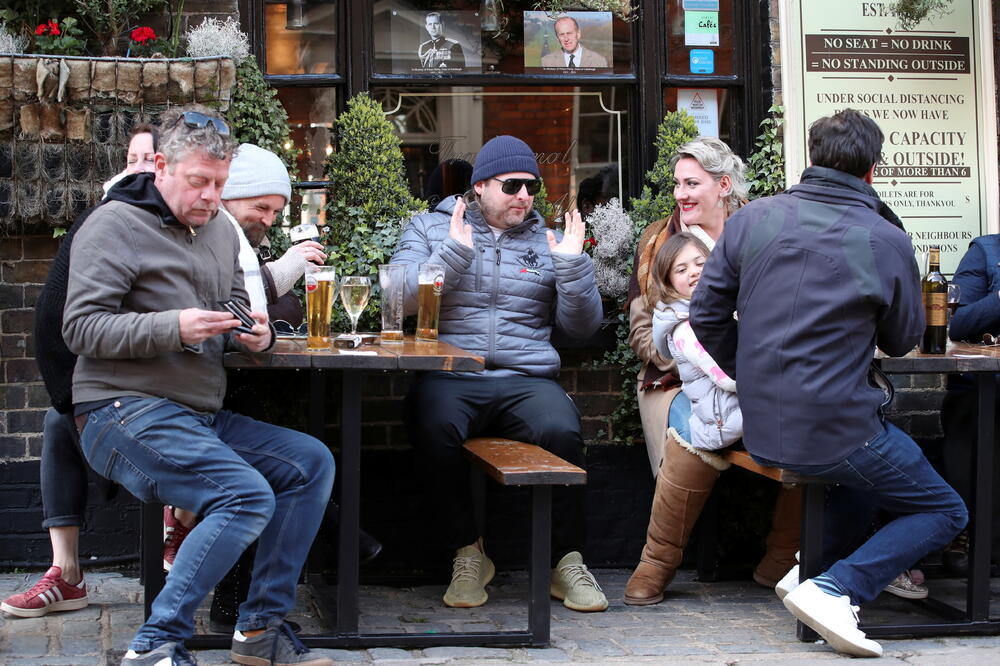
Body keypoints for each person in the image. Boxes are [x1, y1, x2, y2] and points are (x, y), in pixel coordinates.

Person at [61, 104, 335, 666]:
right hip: (118, 411)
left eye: (219, 183)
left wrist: (256, 337)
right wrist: (172, 326)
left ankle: (257, 631)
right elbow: (79, 328)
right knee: (245, 494)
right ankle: (155, 643)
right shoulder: (112, 225)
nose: (211, 197)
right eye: (198, 182)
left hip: (194, 414)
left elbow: (235, 307)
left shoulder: (217, 232)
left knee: (311, 462)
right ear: (160, 166)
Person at [690, 108, 967, 658]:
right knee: (944, 510)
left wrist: (754, 376)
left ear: (812, 157)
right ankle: (836, 588)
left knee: (862, 481)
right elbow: (901, 339)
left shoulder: (753, 219)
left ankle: (806, 576)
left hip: (763, 425)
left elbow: (706, 316)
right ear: (872, 171)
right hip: (838, 427)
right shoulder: (883, 239)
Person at [391, 135, 607, 612]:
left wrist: (572, 266)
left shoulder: (547, 240)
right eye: (512, 186)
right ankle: (469, 552)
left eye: (531, 186)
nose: (525, 197)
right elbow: (396, 296)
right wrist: (451, 254)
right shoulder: (431, 229)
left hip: (526, 377)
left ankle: (564, 561)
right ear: (481, 187)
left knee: (563, 431)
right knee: (432, 425)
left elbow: (583, 327)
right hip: (452, 372)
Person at [623, 137, 800, 605]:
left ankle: (784, 558)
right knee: (694, 430)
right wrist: (687, 349)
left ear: (723, 186)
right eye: (678, 184)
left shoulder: (759, 232)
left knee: (812, 432)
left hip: (756, 375)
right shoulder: (661, 240)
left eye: (692, 183)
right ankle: (657, 562)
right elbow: (645, 330)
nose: (681, 194)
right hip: (677, 381)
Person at [1, 123, 157, 620]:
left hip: (164, 381)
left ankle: (179, 538)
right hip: (109, 380)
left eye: (148, 158)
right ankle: (66, 574)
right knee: (54, 422)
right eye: (131, 159)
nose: (138, 168)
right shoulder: (108, 219)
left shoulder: (185, 222)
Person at [940, 235, 1000, 574]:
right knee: (976, 405)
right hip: (988, 383)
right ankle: (969, 532)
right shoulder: (987, 252)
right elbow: (959, 324)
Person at [221, 142, 327, 327]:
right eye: (262, 207)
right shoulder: (201, 239)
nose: (269, 221)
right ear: (227, 197)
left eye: (276, 212)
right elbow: (211, 304)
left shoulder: (259, 247)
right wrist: (277, 275)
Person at [540, 16, 608, 69]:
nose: (566, 39)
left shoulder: (598, 60)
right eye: (562, 34)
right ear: (557, 38)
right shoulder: (546, 61)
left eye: (569, 33)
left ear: (578, 34)